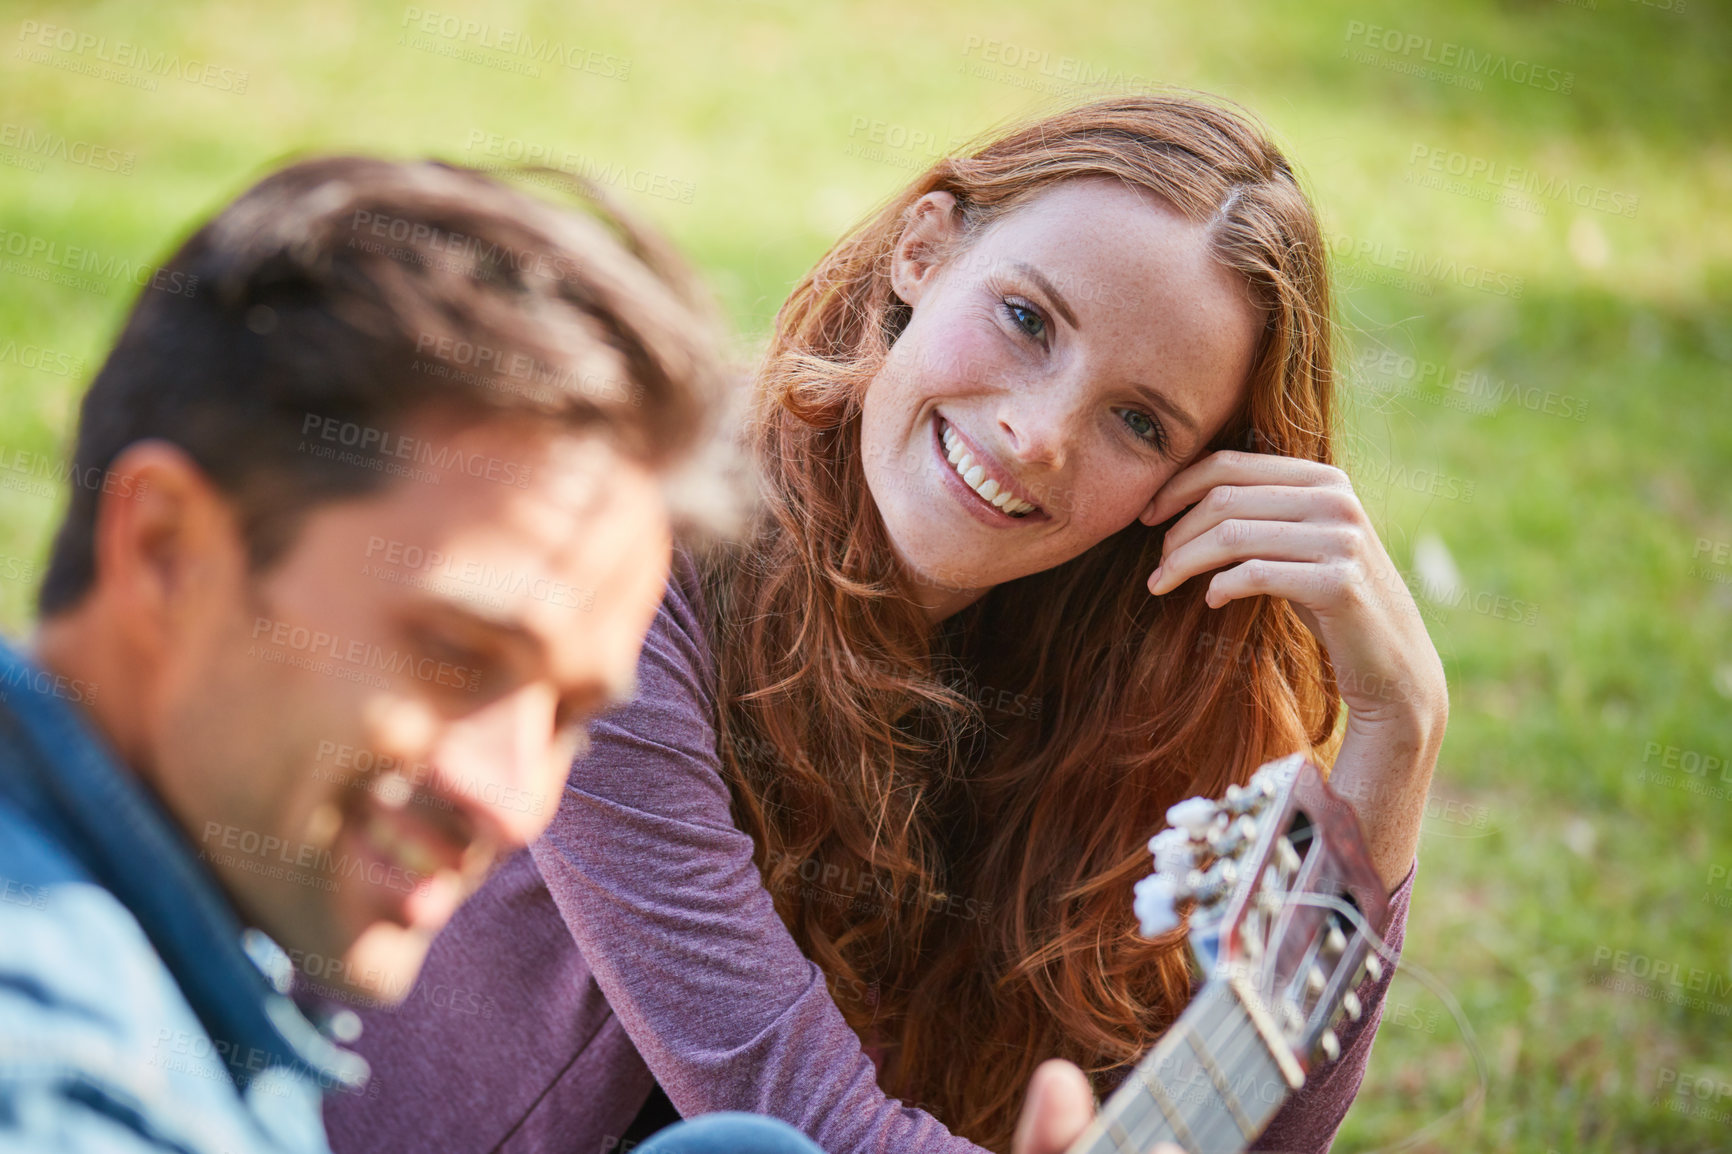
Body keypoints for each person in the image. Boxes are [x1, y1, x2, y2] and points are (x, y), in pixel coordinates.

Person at [328, 93, 1446, 1154]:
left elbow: (1216, 1126)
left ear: (1191, 488)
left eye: (1140, 421)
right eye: (1026, 319)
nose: (1038, 431)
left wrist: (1395, 738)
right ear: (924, 250)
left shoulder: (1095, 685)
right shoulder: (625, 530)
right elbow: (781, 1092)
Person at [0, 155, 835, 1154]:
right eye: (454, 655)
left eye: (568, 715)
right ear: (168, 551)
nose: (511, 798)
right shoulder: (68, 1086)